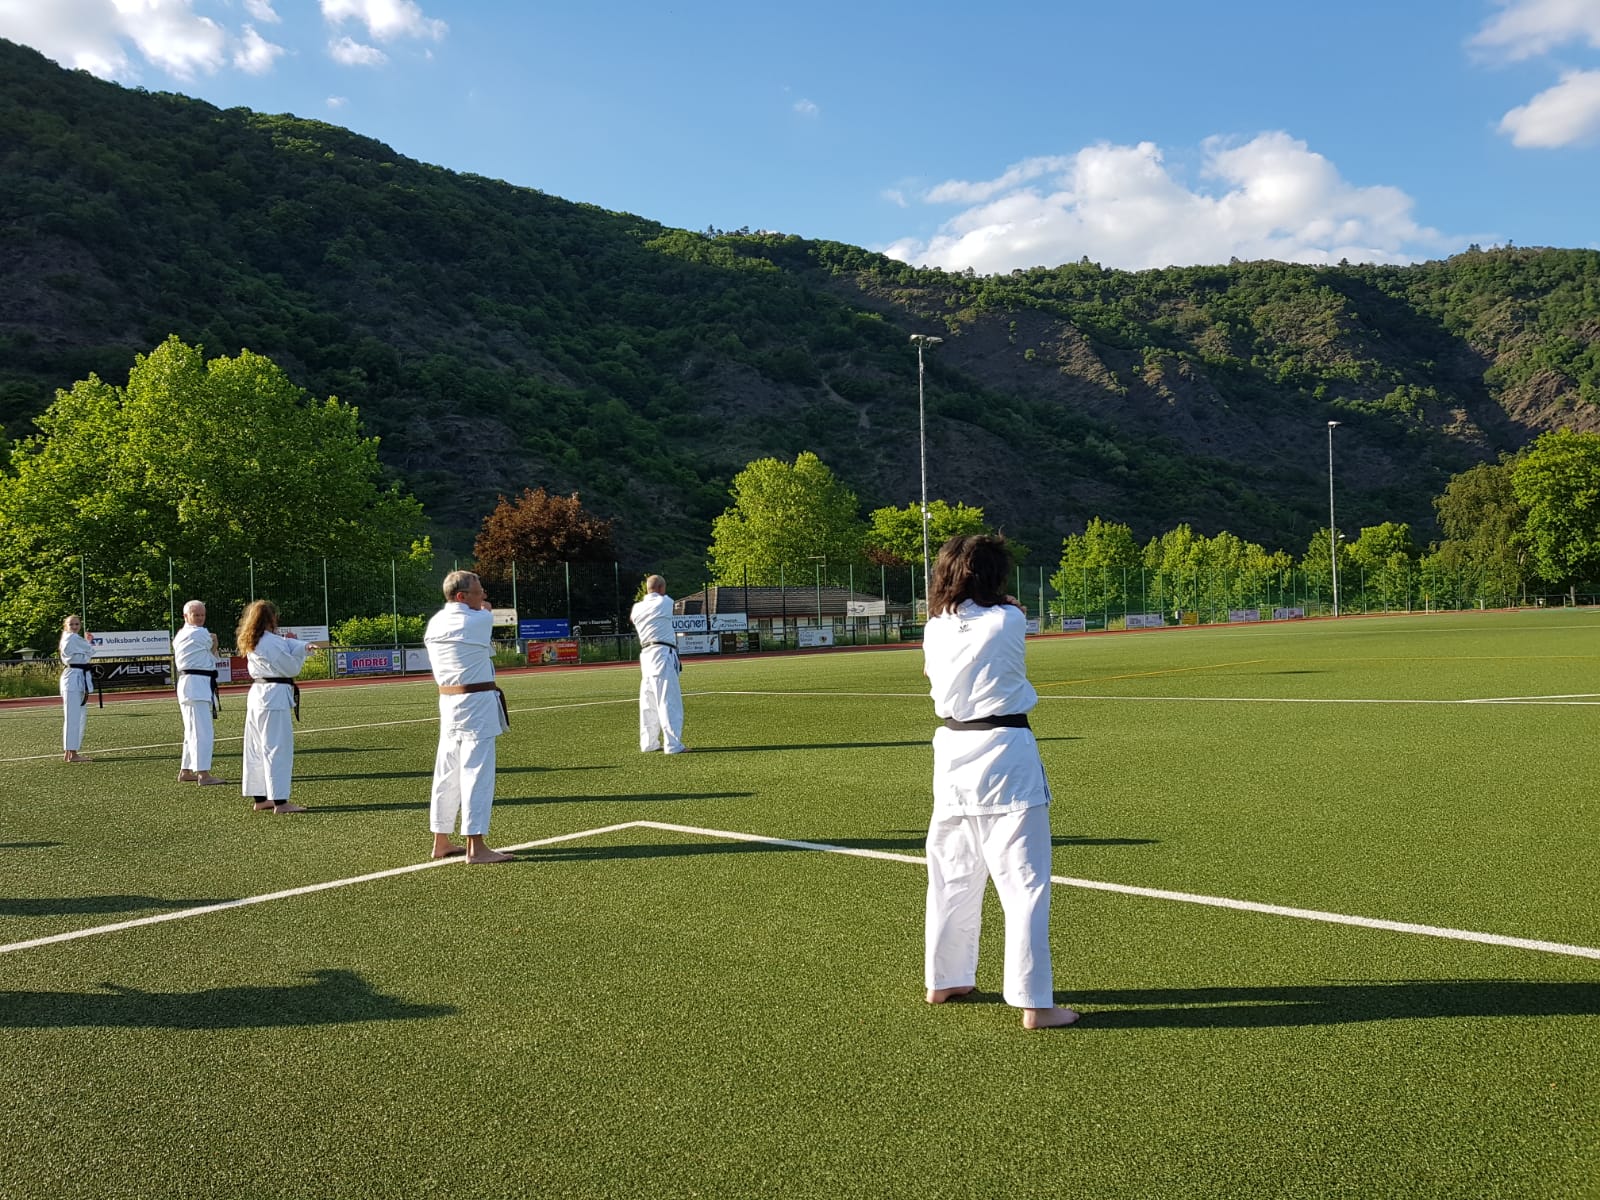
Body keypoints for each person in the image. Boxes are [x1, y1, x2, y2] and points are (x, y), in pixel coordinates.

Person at [921, 534, 1078, 1030]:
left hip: (952, 754)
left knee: (951, 875)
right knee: (1024, 883)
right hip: (1006, 754)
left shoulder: (934, 627)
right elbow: (1008, 610)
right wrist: (1003, 602)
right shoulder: (1009, 619)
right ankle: (1035, 1003)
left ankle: (944, 979)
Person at [424, 570, 513, 864]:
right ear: (461, 596)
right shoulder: (478, 620)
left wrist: (480, 605)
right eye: (478, 591)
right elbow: (486, 612)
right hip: (475, 702)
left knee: (447, 771)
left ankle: (441, 840)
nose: (484, 595)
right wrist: (483, 608)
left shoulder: (436, 622)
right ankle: (476, 846)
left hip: (449, 702)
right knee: (477, 772)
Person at [236, 600, 317, 814]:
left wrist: (302, 646)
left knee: (256, 748)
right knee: (277, 748)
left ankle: (261, 798)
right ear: (271, 618)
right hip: (273, 697)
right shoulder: (270, 641)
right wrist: (301, 653)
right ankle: (280, 802)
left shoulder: (252, 639)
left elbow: (286, 644)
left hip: (257, 695)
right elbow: (290, 667)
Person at [173, 599, 227, 786]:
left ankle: (185, 770)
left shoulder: (180, 634)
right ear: (186, 616)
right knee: (202, 731)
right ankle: (203, 774)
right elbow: (213, 651)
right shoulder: (200, 633)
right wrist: (214, 642)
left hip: (192, 684)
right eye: (196, 615)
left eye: (202, 615)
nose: (200, 618)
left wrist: (212, 644)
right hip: (195, 685)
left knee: (192, 730)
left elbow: (210, 655)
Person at [629, 574, 686, 754]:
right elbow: (668, 602)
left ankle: (649, 743)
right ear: (661, 588)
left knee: (648, 701)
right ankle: (673, 745)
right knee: (668, 700)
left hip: (646, 654)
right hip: (662, 653)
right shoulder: (665, 602)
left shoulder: (637, 608)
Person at [58, 614, 96, 763]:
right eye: (71, 624)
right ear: (66, 626)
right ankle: (72, 753)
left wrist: (87, 644)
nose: (74, 627)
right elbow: (90, 650)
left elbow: (86, 655)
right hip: (73, 677)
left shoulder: (69, 638)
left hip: (77, 676)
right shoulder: (72, 638)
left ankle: (70, 752)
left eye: (77, 624)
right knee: (74, 716)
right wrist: (88, 641)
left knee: (77, 716)